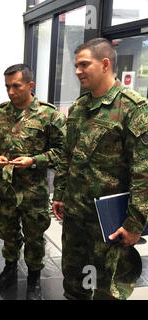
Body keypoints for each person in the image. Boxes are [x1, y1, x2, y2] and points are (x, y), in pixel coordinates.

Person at [52, 38, 148, 300]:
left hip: (110, 224)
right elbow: (67, 155)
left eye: (84, 64)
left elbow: (144, 172)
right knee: (75, 283)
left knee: (108, 290)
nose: (77, 71)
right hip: (76, 219)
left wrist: (135, 223)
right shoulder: (78, 109)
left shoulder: (132, 108)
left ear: (105, 64)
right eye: (75, 66)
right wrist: (59, 193)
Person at [0, 64, 66, 300]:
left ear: (30, 85)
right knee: (8, 233)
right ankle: (9, 270)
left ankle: (34, 280)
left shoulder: (49, 115)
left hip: (33, 192)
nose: (10, 92)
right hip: (4, 190)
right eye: (7, 86)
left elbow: (62, 152)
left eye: (16, 86)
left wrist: (34, 160)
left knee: (34, 237)